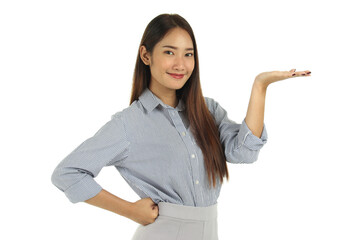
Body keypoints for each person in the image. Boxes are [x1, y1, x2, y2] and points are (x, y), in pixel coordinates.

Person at [51, 13, 311, 240]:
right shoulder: (129, 123)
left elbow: (244, 152)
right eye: (169, 52)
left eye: (188, 54)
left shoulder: (208, 111)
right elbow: (68, 173)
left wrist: (260, 86)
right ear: (146, 55)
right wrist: (130, 210)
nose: (180, 64)